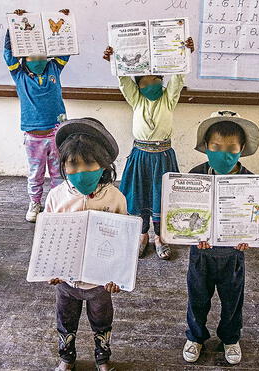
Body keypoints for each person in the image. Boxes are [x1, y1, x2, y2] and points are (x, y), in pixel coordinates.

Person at [45, 118, 126, 371]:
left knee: (102, 322)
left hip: (100, 284)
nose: (81, 171)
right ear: (63, 165)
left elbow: (124, 241)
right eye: (73, 164)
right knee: (65, 321)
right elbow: (48, 239)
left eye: (89, 163)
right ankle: (66, 358)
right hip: (66, 282)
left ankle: (103, 359)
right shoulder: (56, 197)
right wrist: (50, 270)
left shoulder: (115, 197)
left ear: (104, 165)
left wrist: (118, 277)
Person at [102, 38, 194, 260]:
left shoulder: (168, 100)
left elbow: (178, 78)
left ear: (162, 81)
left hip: (163, 157)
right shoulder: (136, 100)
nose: (150, 85)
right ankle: (143, 235)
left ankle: (160, 237)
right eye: (144, 82)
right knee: (140, 196)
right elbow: (124, 81)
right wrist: (114, 59)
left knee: (161, 197)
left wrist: (185, 53)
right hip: (141, 156)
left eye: (155, 80)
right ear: (138, 86)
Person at [182, 111, 259, 365]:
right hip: (201, 254)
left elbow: (253, 216)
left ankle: (230, 338)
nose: (223, 153)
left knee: (232, 301)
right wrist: (193, 236)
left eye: (231, 148)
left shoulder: (250, 181)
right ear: (205, 147)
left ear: (242, 149)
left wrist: (248, 236)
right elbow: (185, 212)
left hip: (232, 256)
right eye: (216, 147)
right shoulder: (195, 175)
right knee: (197, 298)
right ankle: (195, 336)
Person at [4, 9, 72, 222]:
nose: (38, 59)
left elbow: (64, 49)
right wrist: (14, 26)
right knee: (35, 174)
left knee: (58, 173)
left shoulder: (54, 69)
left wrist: (64, 22)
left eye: (42, 55)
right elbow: (8, 53)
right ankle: (35, 203)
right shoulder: (19, 75)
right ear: (24, 58)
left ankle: (57, 203)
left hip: (56, 132)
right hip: (33, 136)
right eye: (32, 56)